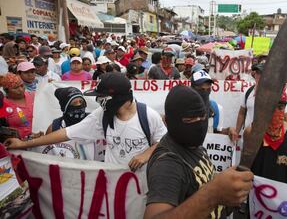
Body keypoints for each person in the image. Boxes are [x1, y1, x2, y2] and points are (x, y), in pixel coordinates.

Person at [5, 73, 168, 206]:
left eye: (101, 97)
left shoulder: (148, 116)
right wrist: (24, 144)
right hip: (114, 186)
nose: (97, 101)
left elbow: (164, 141)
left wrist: (145, 154)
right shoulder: (102, 116)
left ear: (114, 98)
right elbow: (66, 133)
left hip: (143, 187)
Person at [145, 85, 254, 219]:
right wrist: (214, 194)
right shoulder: (167, 164)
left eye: (202, 118)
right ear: (168, 122)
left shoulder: (194, 145)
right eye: (189, 120)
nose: (198, 125)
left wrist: (229, 192)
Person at [248, 90, 287, 185]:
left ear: (285, 108)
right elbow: (246, 164)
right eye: (271, 107)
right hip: (256, 191)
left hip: (281, 193)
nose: (276, 112)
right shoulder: (251, 131)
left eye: (280, 107)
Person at [43, 87, 94, 160]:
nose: (79, 105)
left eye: (81, 101)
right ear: (65, 107)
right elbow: (47, 153)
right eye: (74, 103)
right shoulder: (55, 127)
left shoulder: (93, 121)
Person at [191, 70, 238, 138]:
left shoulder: (216, 109)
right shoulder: (182, 107)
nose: (205, 92)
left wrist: (228, 130)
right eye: (201, 89)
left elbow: (216, 132)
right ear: (192, 89)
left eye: (208, 89)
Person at [2, 73, 35, 139]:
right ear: (6, 91)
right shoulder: (3, 105)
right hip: (18, 144)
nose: (21, 90)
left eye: (22, 86)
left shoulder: (33, 96)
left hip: (41, 139)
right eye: (15, 88)